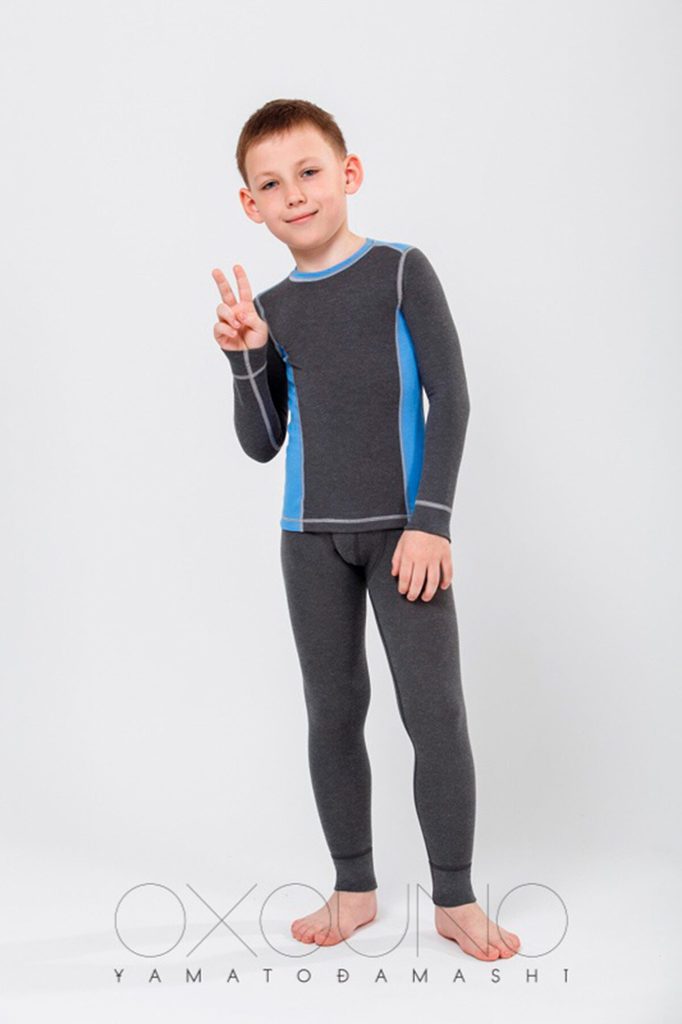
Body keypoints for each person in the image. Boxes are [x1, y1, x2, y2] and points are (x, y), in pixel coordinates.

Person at [211, 98, 521, 961]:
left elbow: (451, 399)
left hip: (403, 537)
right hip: (310, 539)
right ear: (250, 205)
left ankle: (455, 898)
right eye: (272, 184)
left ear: (348, 173)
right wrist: (245, 357)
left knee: (434, 712)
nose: (295, 194)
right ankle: (354, 887)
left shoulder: (400, 271)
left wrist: (432, 523)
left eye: (309, 172)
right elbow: (263, 442)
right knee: (334, 712)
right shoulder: (273, 305)